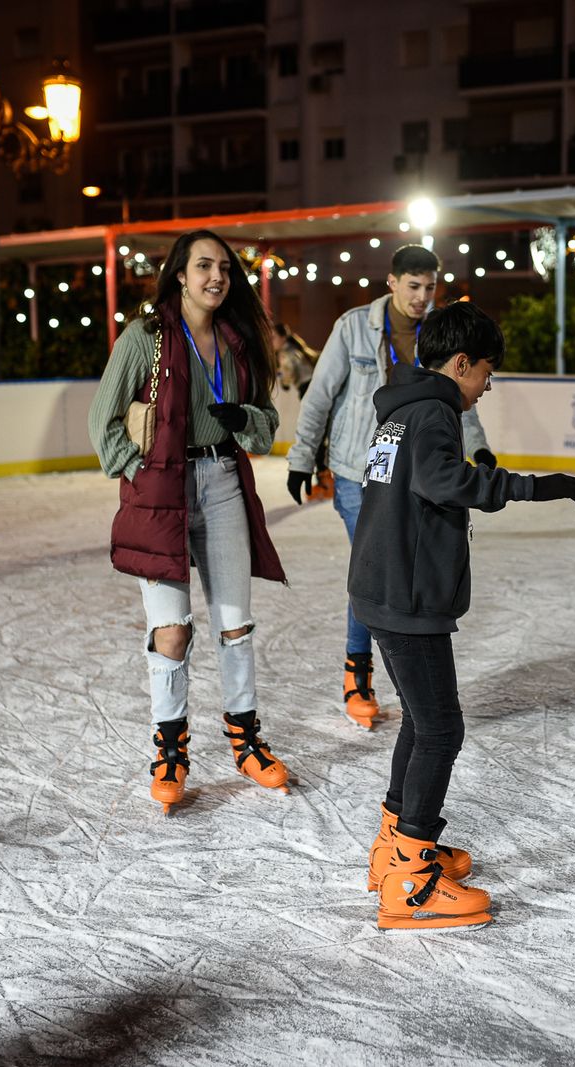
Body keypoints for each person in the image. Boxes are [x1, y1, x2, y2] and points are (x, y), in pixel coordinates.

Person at [347, 300, 575, 929]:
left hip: (381, 587)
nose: (486, 386)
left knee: (421, 723)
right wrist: (535, 486)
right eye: (485, 372)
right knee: (441, 729)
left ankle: (394, 848)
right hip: (407, 599)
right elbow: (446, 481)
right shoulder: (433, 412)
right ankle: (411, 879)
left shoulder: (401, 410)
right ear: (461, 364)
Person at [88, 229, 291, 813]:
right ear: (179, 274)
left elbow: (266, 422)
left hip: (223, 483)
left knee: (235, 626)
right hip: (165, 492)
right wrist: (140, 470)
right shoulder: (145, 339)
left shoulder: (240, 341)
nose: (216, 278)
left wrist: (244, 415)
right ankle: (170, 752)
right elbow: (103, 421)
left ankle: (246, 740)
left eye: (225, 268)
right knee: (171, 631)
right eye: (204, 266)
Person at [285, 245, 496, 731]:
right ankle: (357, 676)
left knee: (393, 575)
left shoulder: (439, 330)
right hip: (360, 471)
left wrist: (479, 449)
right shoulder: (354, 326)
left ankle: (402, 675)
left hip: (413, 472)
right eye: (414, 287)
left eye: (430, 288)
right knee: (377, 570)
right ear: (392, 283)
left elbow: (462, 395)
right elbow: (320, 395)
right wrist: (302, 458)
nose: (423, 297)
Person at [272, 321, 330, 501]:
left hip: (309, 391)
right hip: (317, 389)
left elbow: (288, 375)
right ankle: (326, 479)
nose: (270, 341)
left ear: (282, 338)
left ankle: (326, 482)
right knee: (319, 436)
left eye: (272, 337)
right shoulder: (296, 348)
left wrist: (284, 381)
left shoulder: (286, 353)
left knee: (315, 437)